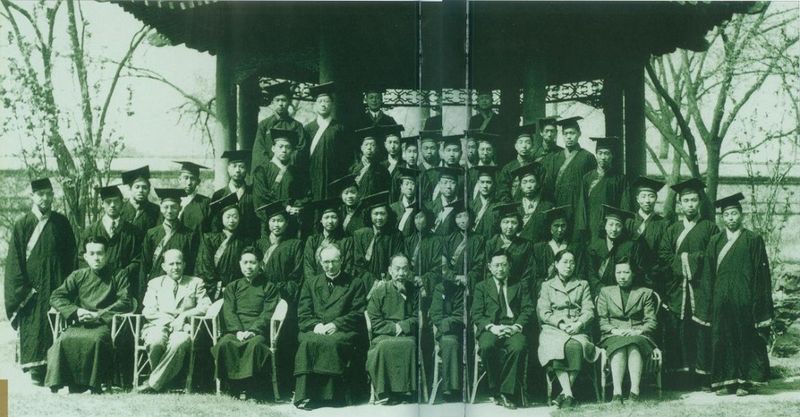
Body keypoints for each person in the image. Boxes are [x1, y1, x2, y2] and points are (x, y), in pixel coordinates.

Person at [697, 193, 773, 396]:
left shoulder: (753, 239)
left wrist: (758, 302)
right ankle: (726, 382)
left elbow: (761, 274)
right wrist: (708, 303)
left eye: (734, 213)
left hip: (745, 299)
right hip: (721, 300)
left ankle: (744, 382)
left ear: (741, 215)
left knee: (744, 338)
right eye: (727, 215)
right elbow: (708, 274)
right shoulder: (715, 241)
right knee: (722, 339)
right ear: (722, 218)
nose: (730, 218)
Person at [5, 178, 76, 386]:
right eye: (40, 194)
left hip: (57, 283)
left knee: (56, 324)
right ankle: (36, 370)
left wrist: (69, 285)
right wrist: (23, 290)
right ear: (32, 196)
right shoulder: (23, 224)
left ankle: (57, 369)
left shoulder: (61, 222)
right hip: (33, 289)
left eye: (48, 194)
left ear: (53, 196)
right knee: (35, 326)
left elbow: (71, 256)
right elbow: (15, 261)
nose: (45, 198)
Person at [45, 236, 132, 393]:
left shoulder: (119, 274)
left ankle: (94, 384)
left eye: (100, 253)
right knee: (63, 339)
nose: (96, 258)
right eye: (92, 254)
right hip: (80, 322)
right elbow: (56, 296)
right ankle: (63, 383)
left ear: (107, 255)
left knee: (96, 340)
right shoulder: (78, 275)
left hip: (104, 324)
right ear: (85, 256)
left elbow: (125, 301)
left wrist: (98, 315)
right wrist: (76, 311)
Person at [657, 178, 718, 389]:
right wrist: (684, 261)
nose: (690, 204)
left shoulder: (710, 228)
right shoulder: (673, 229)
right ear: (680, 204)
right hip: (677, 288)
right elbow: (664, 255)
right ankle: (681, 378)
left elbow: (712, 255)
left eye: (693, 200)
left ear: (700, 202)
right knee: (679, 330)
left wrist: (686, 259)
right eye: (686, 200)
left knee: (701, 330)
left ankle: (703, 377)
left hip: (701, 287)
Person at [294, 245, 368, 410]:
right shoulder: (311, 283)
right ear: (320, 263)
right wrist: (316, 325)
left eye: (334, 261)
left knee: (332, 343)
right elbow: (303, 312)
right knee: (308, 343)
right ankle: (308, 395)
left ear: (341, 261)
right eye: (326, 262)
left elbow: (358, 312)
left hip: (344, 329)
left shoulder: (355, 283)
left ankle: (334, 396)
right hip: (316, 328)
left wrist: (336, 324)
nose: (331, 265)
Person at [211, 246, 282, 401]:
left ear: (260, 264)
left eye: (253, 262)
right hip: (235, 331)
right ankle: (232, 389)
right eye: (245, 262)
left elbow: (268, 313)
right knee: (225, 344)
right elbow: (229, 312)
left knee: (255, 346)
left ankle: (253, 390)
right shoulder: (233, 287)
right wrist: (237, 331)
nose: (248, 266)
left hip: (257, 332)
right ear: (240, 264)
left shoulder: (269, 287)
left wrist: (253, 331)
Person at [137, 249, 211, 393]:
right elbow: (148, 310)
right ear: (164, 266)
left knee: (179, 341)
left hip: (184, 328)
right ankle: (165, 381)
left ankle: (154, 383)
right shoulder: (155, 283)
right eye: (171, 264)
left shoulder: (195, 282)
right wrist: (172, 322)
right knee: (156, 340)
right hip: (158, 325)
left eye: (178, 263)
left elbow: (206, 306)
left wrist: (184, 316)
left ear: (184, 265)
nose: (175, 267)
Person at [471, 250, 534, 409]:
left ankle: (506, 392)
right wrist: (492, 327)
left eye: (504, 265)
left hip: (512, 327)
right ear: (489, 267)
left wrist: (516, 327)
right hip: (491, 328)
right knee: (487, 346)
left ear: (509, 266)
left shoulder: (519, 285)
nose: (500, 269)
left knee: (518, 347)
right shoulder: (481, 287)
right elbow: (476, 314)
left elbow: (528, 309)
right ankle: (495, 389)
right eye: (497, 265)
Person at [537, 249, 598, 409]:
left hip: (576, 327)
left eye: (572, 262)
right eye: (565, 262)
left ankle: (564, 394)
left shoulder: (582, 284)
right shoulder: (547, 285)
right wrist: (561, 324)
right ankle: (569, 394)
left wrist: (579, 324)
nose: (568, 266)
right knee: (556, 346)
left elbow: (589, 310)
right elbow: (544, 312)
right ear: (556, 264)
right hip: (553, 328)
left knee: (575, 346)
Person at [596, 257, 658, 404]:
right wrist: (614, 331)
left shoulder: (645, 293)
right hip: (613, 334)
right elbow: (602, 321)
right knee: (619, 346)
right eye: (618, 273)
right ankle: (617, 393)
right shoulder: (605, 292)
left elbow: (651, 322)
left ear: (633, 274)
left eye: (626, 272)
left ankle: (634, 391)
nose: (622, 276)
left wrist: (638, 331)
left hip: (637, 333)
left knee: (634, 345)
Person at [366, 254, 421, 404]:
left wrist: (402, 327)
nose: (401, 273)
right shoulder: (379, 291)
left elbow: (417, 317)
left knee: (410, 344)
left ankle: (406, 392)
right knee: (383, 346)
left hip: (406, 333)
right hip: (383, 334)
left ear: (409, 271)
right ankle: (385, 392)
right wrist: (394, 328)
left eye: (405, 269)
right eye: (397, 269)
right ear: (390, 270)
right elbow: (374, 320)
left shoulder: (415, 292)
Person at [79, 185, 142, 296]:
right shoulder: (91, 231)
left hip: (123, 285)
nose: (112, 205)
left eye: (116, 201)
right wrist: (95, 275)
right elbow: (81, 258)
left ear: (122, 203)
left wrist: (122, 274)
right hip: (96, 286)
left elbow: (138, 259)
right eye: (108, 202)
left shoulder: (133, 231)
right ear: (102, 204)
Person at [140, 188, 198, 304]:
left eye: (174, 207)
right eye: (166, 207)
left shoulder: (189, 234)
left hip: (181, 285)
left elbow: (193, 263)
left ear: (180, 208)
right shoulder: (152, 233)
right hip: (156, 284)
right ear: (161, 208)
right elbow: (144, 264)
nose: (170, 211)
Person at [540, 117, 597, 233]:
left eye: (572, 133)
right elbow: (548, 185)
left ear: (579, 134)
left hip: (580, 207)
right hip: (559, 206)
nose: (569, 137)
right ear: (562, 135)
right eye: (566, 133)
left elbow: (593, 185)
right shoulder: (555, 158)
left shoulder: (587, 157)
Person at [253, 128, 310, 233]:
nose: (284, 150)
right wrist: (285, 208)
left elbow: (304, 195)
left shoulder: (297, 172)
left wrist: (296, 207)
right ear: (273, 148)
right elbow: (261, 196)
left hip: (291, 221)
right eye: (280, 146)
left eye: (288, 147)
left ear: (292, 150)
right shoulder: (262, 171)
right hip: (270, 222)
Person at [575, 137, 632, 241]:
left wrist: (623, 225)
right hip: (592, 223)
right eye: (600, 153)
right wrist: (583, 226)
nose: (603, 157)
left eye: (606, 153)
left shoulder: (620, 179)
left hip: (612, 224)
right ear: (596, 155)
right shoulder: (587, 178)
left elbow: (625, 205)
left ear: (612, 155)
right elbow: (582, 204)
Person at [195, 193, 251, 300]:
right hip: (216, 289)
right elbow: (205, 266)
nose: (231, 220)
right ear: (221, 218)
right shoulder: (209, 238)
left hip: (239, 289)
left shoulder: (245, 241)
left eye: (235, 216)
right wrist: (219, 287)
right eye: (228, 217)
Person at [303, 82, 351, 200]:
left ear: (332, 104)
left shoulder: (339, 128)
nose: (323, 105)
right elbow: (303, 156)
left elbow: (347, 155)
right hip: (313, 176)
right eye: (320, 101)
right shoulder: (308, 129)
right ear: (315, 105)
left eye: (327, 101)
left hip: (334, 176)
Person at [251, 82, 308, 172]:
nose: (280, 104)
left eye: (284, 100)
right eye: (277, 100)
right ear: (273, 102)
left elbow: (301, 149)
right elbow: (259, 149)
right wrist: (270, 167)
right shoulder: (264, 124)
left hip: (290, 170)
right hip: (269, 170)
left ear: (289, 102)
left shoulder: (297, 126)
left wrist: (287, 164)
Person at [353, 191, 405, 287]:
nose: (379, 217)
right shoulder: (360, 235)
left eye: (382, 213)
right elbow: (358, 265)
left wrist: (386, 283)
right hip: (365, 283)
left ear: (388, 215)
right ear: (370, 215)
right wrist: (373, 282)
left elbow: (396, 261)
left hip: (390, 282)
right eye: (375, 214)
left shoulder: (395, 235)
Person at [625, 176, 669, 290]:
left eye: (651, 196)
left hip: (654, 276)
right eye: (643, 196)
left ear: (656, 198)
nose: (647, 201)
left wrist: (655, 271)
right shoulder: (629, 221)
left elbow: (664, 252)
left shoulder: (663, 224)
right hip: (630, 275)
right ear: (637, 199)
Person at [429, 275, 466, 401]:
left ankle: (459, 387)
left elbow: (461, 314)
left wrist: (451, 322)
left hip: (461, 329)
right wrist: (445, 325)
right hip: (444, 330)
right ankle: (450, 388)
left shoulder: (460, 290)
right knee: (449, 342)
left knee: (454, 341)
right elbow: (435, 314)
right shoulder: (439, 289)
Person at [586, 205, 638, 293]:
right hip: (600, 291)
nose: (614, 229)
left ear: (622, 228)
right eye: (611, 224)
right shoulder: (594, 247)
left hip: (624, 291)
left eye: (618, 225)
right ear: (605, 226)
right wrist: (602, 290)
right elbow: (591, 274)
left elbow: (635, 272)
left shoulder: (630, 247)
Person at [211, 149, 260, 242]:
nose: (237, 170)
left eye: (241, 167)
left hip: (249, 242)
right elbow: (214, 224)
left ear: (246, 170)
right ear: (228, 169)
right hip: (225, 242)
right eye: (234, 166)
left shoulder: (253, 194)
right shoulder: (219, 195)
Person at [484, 203, 534, 287]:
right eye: (506, 222)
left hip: (519, 288)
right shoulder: (491, 244)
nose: (510, 226)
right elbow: (487, 271)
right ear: (499, 224)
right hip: (496, 288)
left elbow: (528, 272)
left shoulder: (526, 245)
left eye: (514, 222)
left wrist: (519, 288)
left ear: (519, 224)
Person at [303, 198, 354, 278]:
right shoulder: (312, 240)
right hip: (315, 283)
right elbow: (308, 266)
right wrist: (314, 283)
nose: (330, 221)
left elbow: (348, 267)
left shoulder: (346, 241)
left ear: (338, 219)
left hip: (339, 282)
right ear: (321, 220)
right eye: (326, 217)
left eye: (334, 217)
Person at [442, 204, 485, 292]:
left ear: (471, 218)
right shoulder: (449, 239)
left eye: (465, 216)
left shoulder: (479, 239)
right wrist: (454, 277)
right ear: (454, 220)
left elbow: (479, 264)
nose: (462, 221)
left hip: (470, 284)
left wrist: (467, 278)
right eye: (459, 217)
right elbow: (443, 264)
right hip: (451, 282)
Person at [404, 208, 443, 305]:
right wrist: (411, 277)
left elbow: (438, 266)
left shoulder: (436, 240)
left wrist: (423, 279)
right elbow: (405, 263)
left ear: (427, 218)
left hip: (428, 284)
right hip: (409, 281)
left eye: (421, 217)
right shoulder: (409, 240)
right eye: (415, 218)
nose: (418, 221)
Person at [513, 162, 554, 244]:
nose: (528, 186)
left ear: (538, 184)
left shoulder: (548, 207)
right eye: (524, 182)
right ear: (520, 186)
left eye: (532, 181)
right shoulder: (515, 207)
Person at [496, 125, 537, 203]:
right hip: (513, 206)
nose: (524, 146)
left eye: (528, 142)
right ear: (516, 146)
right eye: (521, 142)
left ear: (532, 146)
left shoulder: (537, 167)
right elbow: (503, 191)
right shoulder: (508, 168)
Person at [350, 126, 391, 197]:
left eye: (372, 145)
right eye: (366, 145)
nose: (369, 148)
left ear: (376, 148)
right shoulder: (353, 169)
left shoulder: (382, 170)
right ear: (361, 148)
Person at [119, 166, 162, 232]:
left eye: (144, 187)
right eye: (137, 187)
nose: (141, 190)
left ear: (149, 190)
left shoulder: (155, 210)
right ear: (130, 189)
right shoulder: (121, 208)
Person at [174, 161, 212, 236]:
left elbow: (211, 231)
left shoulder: (205, 203)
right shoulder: (170, 201)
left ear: (198, 182)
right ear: (179, 179)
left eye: (193, 179)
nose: (189, 183)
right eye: (186, 178)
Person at [425, 166, 463, 237]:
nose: (448, 186)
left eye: (452, 183)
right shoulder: (429, 207)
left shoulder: (462, 209)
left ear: (457, 185)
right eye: (445, 182)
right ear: (439, 184)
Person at [469, 165, 499, 240]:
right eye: (482, 182)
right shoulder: (470, 205)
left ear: (493, 184)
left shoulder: (499, 206)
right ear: (478, 183)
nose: (485, 186)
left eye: (488, 182)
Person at [389, 166, 421, 237]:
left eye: (412, 184)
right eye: (406, 184)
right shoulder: (392, 208)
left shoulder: (420, 209)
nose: (409, 187)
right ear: (401, 187)